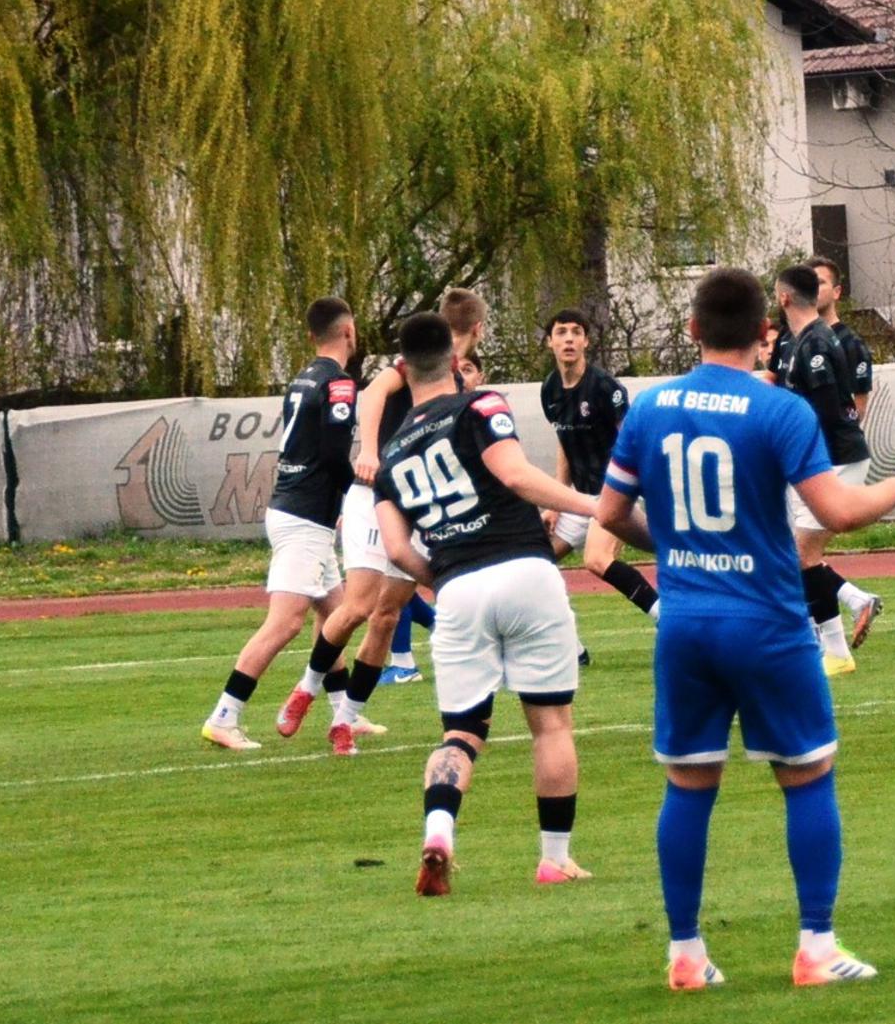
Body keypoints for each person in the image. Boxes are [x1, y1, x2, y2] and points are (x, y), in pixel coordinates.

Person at [588, 267, 895, 989]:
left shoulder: (649, 408)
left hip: (685, 622)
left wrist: (679, 546)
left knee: (688, 785)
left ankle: (685, 954)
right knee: (807, 774)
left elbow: (612, 515)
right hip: (767, 620)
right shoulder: (780, 410)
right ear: (764, 333)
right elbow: (836, 511)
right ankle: (815, 947)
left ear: (692, 329)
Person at [371, 311, 605, 894]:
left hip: (457, 589)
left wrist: (444, 576)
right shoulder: (479, 405)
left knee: (460, 734)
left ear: (403, 369)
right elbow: (516, 476)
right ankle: (554, 859)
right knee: (550, 725)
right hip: (525, 570)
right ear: (455, 361)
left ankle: (439, 831)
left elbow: (397, 550)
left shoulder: (391, 452)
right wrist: (598, 506)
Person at [278, 287, 494, 753]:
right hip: (377, 494)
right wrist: (370, 451)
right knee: (357, 605)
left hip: (418, 502)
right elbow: (373, 392)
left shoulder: (463, 380)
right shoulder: (416, 362)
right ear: (479, 329)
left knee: (386, 616)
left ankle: (344, 720)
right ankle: (306, 689)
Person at [201, 298, 359, 751]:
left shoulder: (302, 378)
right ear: (349, 332)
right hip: (305, 516)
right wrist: (361, 492)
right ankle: (224, 715)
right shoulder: (338, 383)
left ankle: (344, 713)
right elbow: (334, 453)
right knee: (286, 623)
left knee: (336, 615)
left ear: (311, 336)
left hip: (299, 510)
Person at [767, 267, 888, 675]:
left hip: (833, 459)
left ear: (784, 297)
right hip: (817, 459)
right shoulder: (801, 339)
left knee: (802, 552)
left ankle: (833, 650)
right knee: (793, 553)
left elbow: (824, 412)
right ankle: (827, 633)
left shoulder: (816, 342)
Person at [541, 309, 657, 623]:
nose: (568, 339)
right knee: (534, 563)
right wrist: (556, 502)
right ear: (550, 342)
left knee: (596, 558)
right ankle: (564, 641)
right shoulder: (550, 389)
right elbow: (564, 442)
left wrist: (628, 492)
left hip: (613, 494)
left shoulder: (605, 387)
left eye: (576, 332)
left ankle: (666, 617)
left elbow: (631, 441)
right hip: (580, 499)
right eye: (561, 332)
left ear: (586, 342)